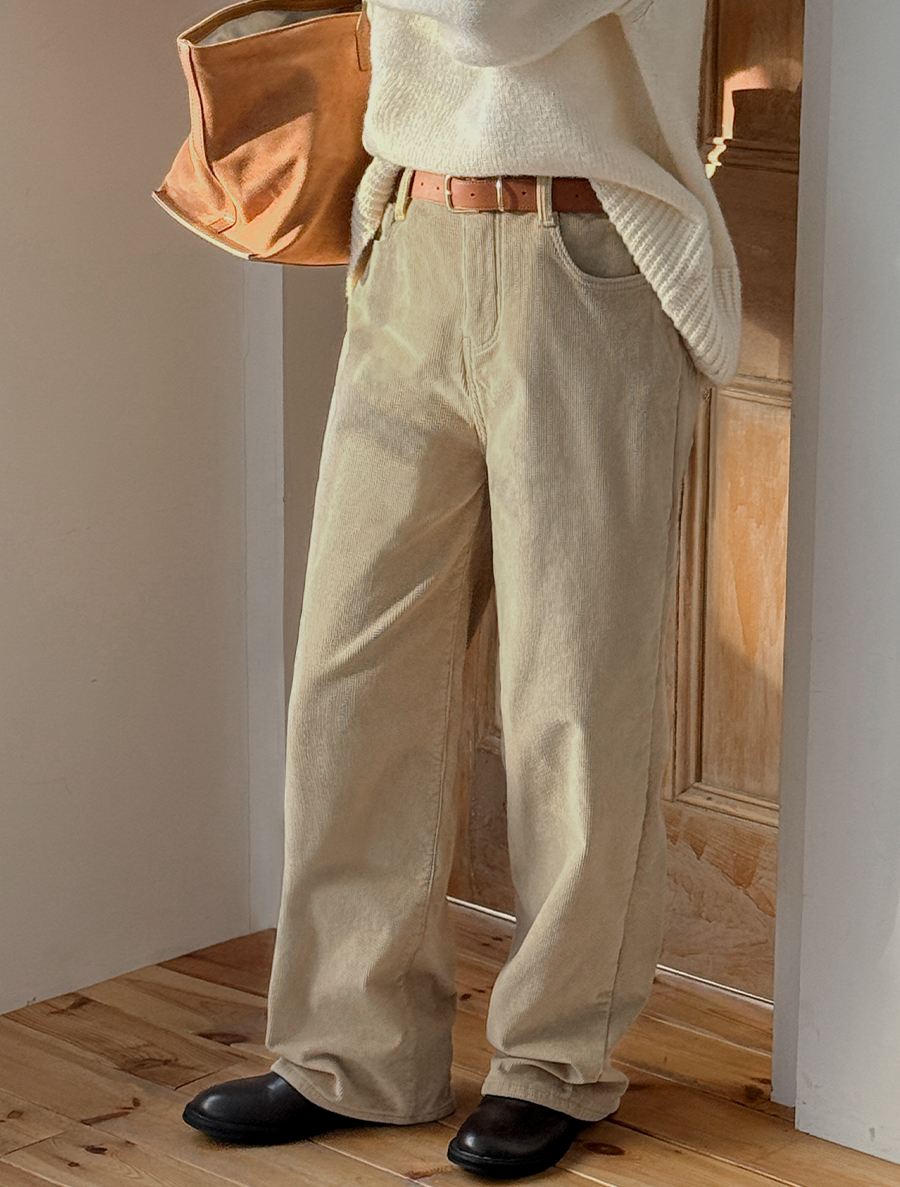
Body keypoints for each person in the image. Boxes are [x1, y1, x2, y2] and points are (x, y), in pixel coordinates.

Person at [182, 0, 741, 1177]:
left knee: (573, 694)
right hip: (411, 245)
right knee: (353, 675)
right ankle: (353, 1050)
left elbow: (492, 22)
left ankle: (554, 1060)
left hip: (586, 257)